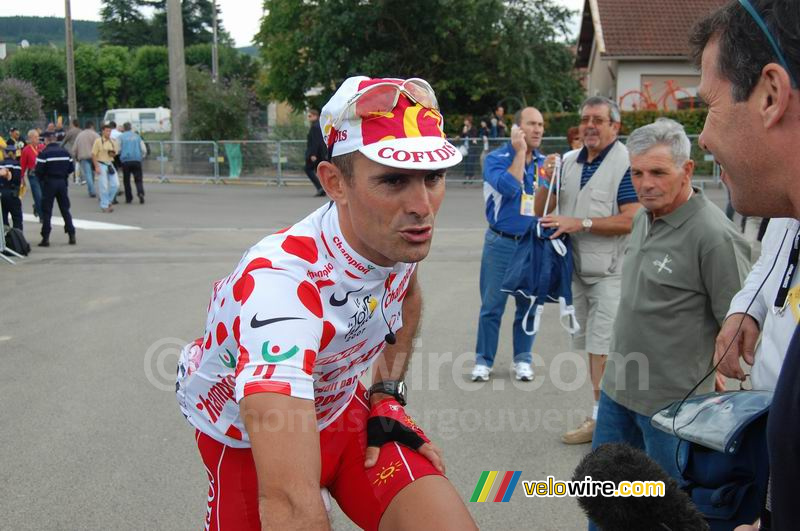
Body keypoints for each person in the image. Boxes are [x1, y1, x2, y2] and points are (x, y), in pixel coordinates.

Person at [175, 75, 475, 531]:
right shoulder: (280, 285)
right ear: (335, 183)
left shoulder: (392, 236)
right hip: (249, 442)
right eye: (393, 180)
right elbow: (292, 506)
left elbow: (406, 296)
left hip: (338, 410)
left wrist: (386, 395)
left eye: (432, 177)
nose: (422, 205)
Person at [690, 2, 800, 529]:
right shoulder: (786, 207)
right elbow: (777, 260)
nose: (704, 138)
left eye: (709, 106)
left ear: (771, 96)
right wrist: (746, 307)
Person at [593, 118, 749, 483]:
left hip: (671, 408)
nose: (646, 185)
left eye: (658, 172)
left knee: (669, 510)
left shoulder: (714, 236)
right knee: (604, 501)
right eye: (637, 173)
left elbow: (736, 324)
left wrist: (714, 366)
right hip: (617, 391)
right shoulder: (643, 218)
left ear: (687, 170)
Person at [535, 96, 641, 445]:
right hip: (575, 272)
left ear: (615, 126)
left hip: (612, 273)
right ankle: (606, 417)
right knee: (590, 346)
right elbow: (542, 210)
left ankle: (605, 424)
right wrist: (543, 178)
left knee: (602, 347)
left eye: (598, 119)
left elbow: (631, 220)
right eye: (585, 119)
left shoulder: (625, 163)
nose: (590, 125)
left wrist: (580, 222)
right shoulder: (566, 161)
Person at [470, 107, 547, 383]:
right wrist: (519, 153)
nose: (538, 129)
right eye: (531, 124)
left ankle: (523, 360)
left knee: (528, 306)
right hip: (500, 243)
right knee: (492, 306)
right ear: (517, 129)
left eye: (540, 125)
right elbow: (510, 188)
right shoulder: (496, 158)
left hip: (532, 245)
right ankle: (484, 360)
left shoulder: (544, 163)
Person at [715, 218, 800, 392]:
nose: (730, 189)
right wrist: (746, 309)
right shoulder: (781, 216)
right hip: (767, 398)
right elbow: (767, 264)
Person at [35, 131, 76, 247]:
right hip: (62, 182)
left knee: (47, 211)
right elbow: (71, 168)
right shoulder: (65, 152)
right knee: (65, 209)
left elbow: (38, 171)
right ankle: (71, 234)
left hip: (49, 183)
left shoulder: (44, 153)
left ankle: (46, 238)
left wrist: (43, 180)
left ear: (47, 140)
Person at [92, 123, 120, 213]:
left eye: (110, 131)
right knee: (103, 186)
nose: (108, 133)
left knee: (116, 184)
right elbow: (93, 154)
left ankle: (108, 200)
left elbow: (115, 153)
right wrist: (96, 166)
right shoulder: (98, 141)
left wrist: (113, 153)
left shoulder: (113, 141)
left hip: (110, 163)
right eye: (107, 131)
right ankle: (104, 205)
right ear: (103, 131)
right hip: (101, 163)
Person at [119, 122, 147, 204]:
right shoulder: (137, 136)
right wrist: (142, 156)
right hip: (136, 160)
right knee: (138, 179)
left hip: (125, 161)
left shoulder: (121, 137)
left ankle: (129, 198)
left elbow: (118, 149)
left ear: (124, 128)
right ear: (131, 127)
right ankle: (140, 192)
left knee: (126, 180)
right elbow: (144, 149)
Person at [20, 129, 43, 219]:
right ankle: (42, 216)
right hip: (33, 175)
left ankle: (37, 207)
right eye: (36, 137)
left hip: (42, 174)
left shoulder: (42, 147)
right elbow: (22, 165)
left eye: (38, 136)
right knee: (38, 195)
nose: (38, 138)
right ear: (30, 138)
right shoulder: (26, 150)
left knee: (44, 195)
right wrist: (21, 177)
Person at [303, 108, 327, 197]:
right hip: (319, 153)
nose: (308, 118)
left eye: (310, 116)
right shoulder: (318, 125)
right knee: (320, 171)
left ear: (315, 116)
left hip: (316, 153)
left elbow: (316, 141)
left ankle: (320, 188)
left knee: (308, 169)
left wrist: (313, 154)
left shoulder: (315, 126)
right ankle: (322, 188)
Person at [0, 144, 23, 230]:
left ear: (4, 153)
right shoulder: (17, 165)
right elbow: (17, 180)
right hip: (13, 193)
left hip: (1, 193)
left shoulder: (1, 164)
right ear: (14, 154)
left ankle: (5, 240)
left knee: (3, 219)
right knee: (17, 219)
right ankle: (18, 239)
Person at [73, 121, 99, 197]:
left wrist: (76, 156)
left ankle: (91, 190)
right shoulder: (95, 134)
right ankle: (91, 189)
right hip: (94, 157)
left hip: (83, 156)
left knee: (88, 174)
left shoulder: (80, 135)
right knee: (92, 173)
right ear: (92, 126)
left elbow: (74, 148)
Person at [460, 115, 479, 181]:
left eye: (466, 120)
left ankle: (472, 175)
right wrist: (463, 132)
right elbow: (462, 136)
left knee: (471, 161)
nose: (464, 122)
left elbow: (473, 136)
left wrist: (467, 132)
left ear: (469, 121)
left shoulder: (473, 128)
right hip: (465, 147)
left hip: (472, 147)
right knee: (466, 162)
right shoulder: (464, 127)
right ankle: (467, 175)